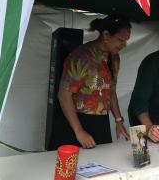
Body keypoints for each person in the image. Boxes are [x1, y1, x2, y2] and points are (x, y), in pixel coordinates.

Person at [49, 15, 131, 150]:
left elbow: (111, 90)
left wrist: (118, 121)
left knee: (101, 167)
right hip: (75, 122)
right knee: (70, 167)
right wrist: (79, 132)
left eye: (126, 41)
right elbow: (63, 95)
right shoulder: (81, 57)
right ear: (106, 35)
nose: (124, 45)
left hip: (100, 122)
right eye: (120, 40)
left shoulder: (114, 58)